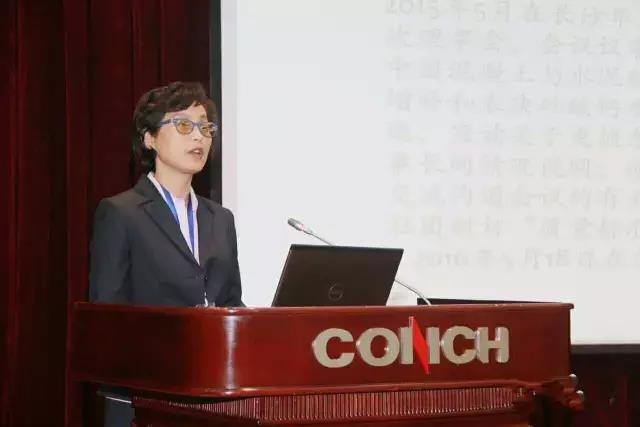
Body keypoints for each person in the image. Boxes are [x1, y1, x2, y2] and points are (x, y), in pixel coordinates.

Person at [89, 81, 243, 426]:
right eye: (184, 125)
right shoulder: (121, 213)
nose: (199, 136)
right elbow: (107, 317)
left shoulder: (221, 219)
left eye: (205, 127)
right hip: (143, 398)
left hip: (212, 397)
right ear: (149, 138)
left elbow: (231, 301)